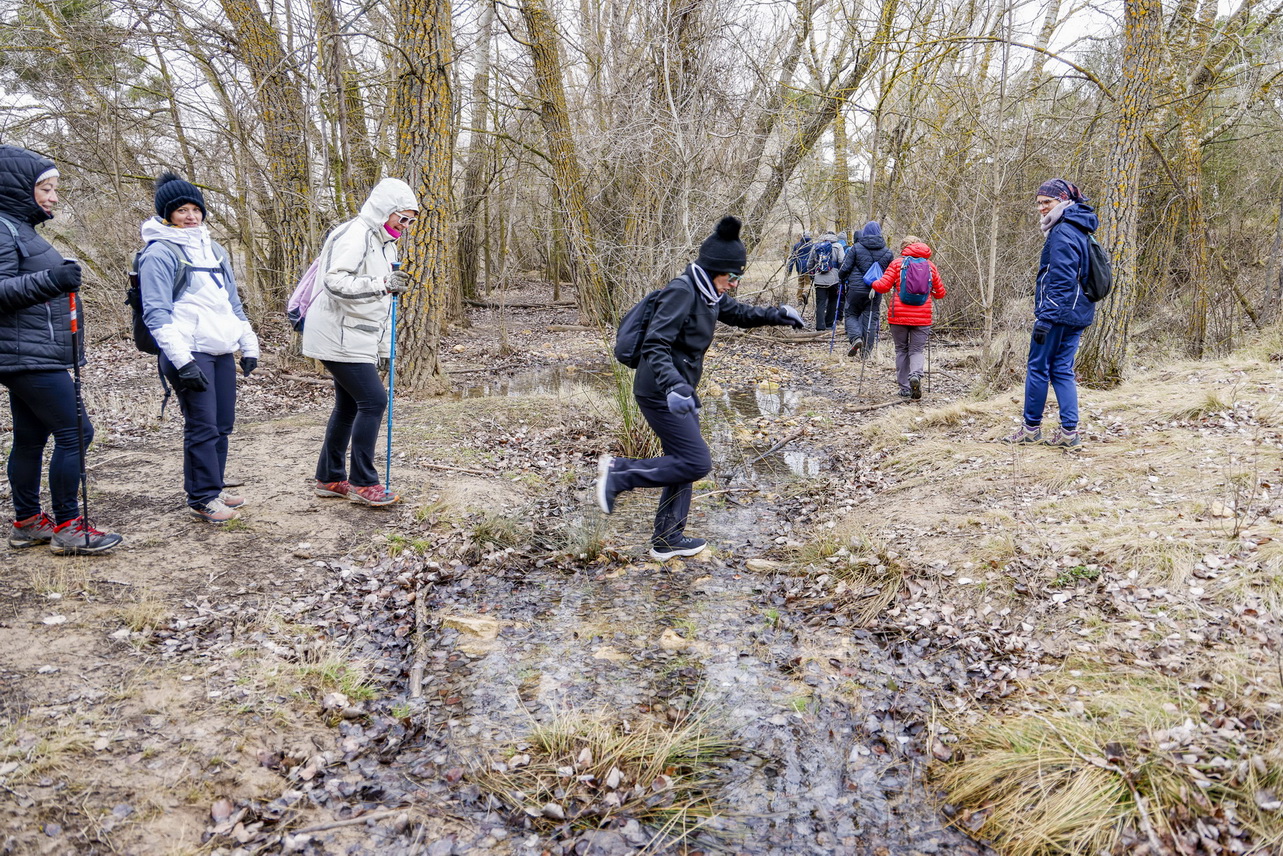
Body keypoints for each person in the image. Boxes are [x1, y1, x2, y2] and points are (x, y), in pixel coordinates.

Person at [595, 216, 804, 560]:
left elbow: (738, 314)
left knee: (682, 459)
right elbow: (655, 345)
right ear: (713, 269)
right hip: (660, 392)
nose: (734, 284)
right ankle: (620, 474)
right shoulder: (683, 291)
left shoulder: (709, 293)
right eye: (731, 277)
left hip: (680, 392)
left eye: (738, 278)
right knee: (696, 462)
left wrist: (777, 314)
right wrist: (675, 386)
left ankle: (667, 538)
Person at [0, 145, 122, 554]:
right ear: (18, 187)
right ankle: (70, 526)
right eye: (46, 189)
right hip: (26, 355)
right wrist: (54, 279)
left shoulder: (19, 228)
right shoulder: (3, 228)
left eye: (54, 189)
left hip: (29, 353)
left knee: (31, 437)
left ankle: (28, 522)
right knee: (76, 432)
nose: (53, 197)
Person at [139, 173, 261, 523]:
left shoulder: (215, 249)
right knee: (202, 425)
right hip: (188, 352)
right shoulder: (159, 253)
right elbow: (156, 313)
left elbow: (231, 303)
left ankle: (214, 487)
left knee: (222, 424)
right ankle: (202, 497)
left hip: (220, 349)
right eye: (182, 210)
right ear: (167, 215)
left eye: (196, 209)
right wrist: (183, 361)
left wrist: (249, 345)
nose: (191, 216)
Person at [303, 178, 418, 506]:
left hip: (358, 335)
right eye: (402, 218)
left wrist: (383, 348)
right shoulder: (356, 234)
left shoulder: (386, 243)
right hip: (338, 332)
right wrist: (382, 282)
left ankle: (329, 477)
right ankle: (363, 483)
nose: (405, 225)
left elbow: (382, 305)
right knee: (374, 400)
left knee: (350, 404)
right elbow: (334, 281)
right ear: (384, 210)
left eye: (411, 221)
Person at [1004, 179, 1097, 448]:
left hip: (1057, 314)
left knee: (1037, 368)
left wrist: (1046, 315)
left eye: (1048, 202)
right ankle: (1069, 433)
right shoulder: (1080, 227)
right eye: (1039, 203)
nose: (1042, 207)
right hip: (1079, 311)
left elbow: (1061, 277)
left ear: (1063, 200)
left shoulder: (1062, 230)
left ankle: (1030, 429)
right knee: (1062, 370)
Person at [870, 235, 946, 399]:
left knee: (901, 350)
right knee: (916, 350)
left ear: (903, 248)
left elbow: (883, 287)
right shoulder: (930, 266)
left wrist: (872, 282)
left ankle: (904, 387)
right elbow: (940, 293)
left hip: (898, 316)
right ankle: (915, 375)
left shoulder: (897, 264)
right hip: (922, 317)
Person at [839, 221, 895, 359]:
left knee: (851, 313)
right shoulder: (887, 252)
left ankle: (856, 338)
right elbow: (890, 273)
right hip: (875, 290)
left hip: (856, 289)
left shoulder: (856, 248)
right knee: (871, 319)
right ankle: (866, 353)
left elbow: (845, 268)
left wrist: (842, 279)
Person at [808, 231, 844, 331]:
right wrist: (840, 275)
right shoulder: (838, 246)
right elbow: (842, 261)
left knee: (820, 303)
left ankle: (820, 326)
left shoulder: (816, 246)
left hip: (819, 278)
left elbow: (810, 263)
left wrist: (812, 275)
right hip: (834, 279)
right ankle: (829, 324)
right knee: (833, 300)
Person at [786, 231, 813, 305]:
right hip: (809, 268)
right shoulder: (812, 246)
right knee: (808, 282)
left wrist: (790, 269)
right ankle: (805, 292)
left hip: (800, 268)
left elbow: (793, 258)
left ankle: (799, 300)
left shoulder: (797, 245)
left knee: (800, 283)